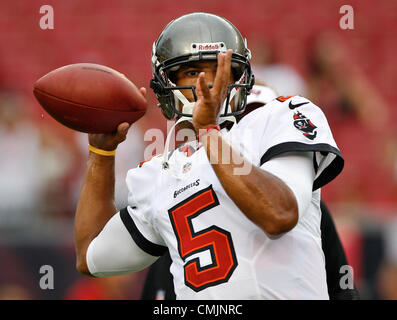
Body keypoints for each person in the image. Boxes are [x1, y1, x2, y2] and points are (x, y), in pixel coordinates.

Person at [74, 12, 345, 299]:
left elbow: (279, 214)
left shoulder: (280, 117)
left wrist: (210, 133)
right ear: (167, 86)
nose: (208, 84)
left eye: (220, 70)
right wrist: (102, 152)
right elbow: (92, 256)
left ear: (241, 76)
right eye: (192, 72)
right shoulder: (160, 173)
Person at [140, 83, 359, 300]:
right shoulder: (180, 206)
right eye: (240, 121)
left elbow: (342, 285)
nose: (249, 131)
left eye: (259, 119)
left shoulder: (307, 207)